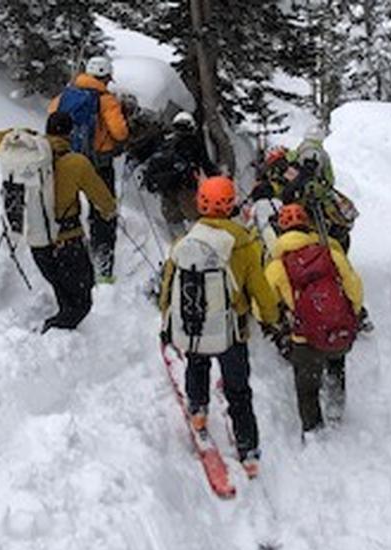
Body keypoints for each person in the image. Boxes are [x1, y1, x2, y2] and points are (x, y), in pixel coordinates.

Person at [159, 176, 282, 477]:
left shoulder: (185, 242)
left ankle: (198, 411)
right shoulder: (243, 243)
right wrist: (271, 317)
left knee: (197, 366)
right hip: (231, 332)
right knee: (238, 391)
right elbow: (260, 290)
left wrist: (167, 318)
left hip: (195, 327)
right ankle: (248, 451)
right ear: (231, 205)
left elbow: (168, 287)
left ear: (200, 203)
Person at [0, 112, 117, 333]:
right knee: (81, 302)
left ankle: (63, 332)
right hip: (69, 243)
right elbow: (105, 202)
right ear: (71, 134)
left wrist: (25, 134)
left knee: (62, 289)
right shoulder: (77, 163)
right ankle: (54, 332)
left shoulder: (28, 157)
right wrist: (110, 212)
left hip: (38, 242)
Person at [264, 204, 362, 435]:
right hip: (336, 329)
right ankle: (336, 408)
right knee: (336, 363)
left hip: (304, 338)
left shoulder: (276, 266)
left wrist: (276, 323)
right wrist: (351, 315)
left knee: (307, 387)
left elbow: (264, 306)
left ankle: (314, 430)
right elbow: (355, 289)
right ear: (308, 225)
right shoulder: (331, 254)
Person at [50, 55, 129, 283]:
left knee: (69, 210)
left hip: (69, 159)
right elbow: (120, 132)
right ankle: (103, 268)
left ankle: (67, 262)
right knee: (103, 212)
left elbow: (52, 112)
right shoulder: (106, 100)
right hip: (98, 164)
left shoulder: (67, 94)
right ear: (106, 77)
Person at [141, 111, 219, 237]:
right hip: (186, 187)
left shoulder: (164, 142)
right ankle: (198, 243)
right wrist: (219, 179)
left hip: (166, 190)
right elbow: (206, 164)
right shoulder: (192, 142)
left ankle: (178, 244)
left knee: (174, 222)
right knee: (196, 220)